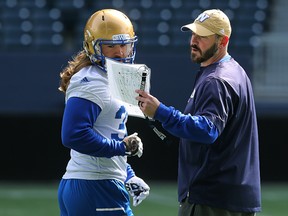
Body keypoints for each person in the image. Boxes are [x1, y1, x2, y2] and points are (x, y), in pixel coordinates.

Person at [136, 9, 261, 216]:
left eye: (202, 36)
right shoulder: (235, 71)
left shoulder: (216, 80)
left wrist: (160, 112)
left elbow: (207, 130)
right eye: (193, 34)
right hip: (229, 197)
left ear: (222, 41)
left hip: (212, 199)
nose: (193, 40)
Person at [57, 9, 150, 216]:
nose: (119, 52)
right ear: (93, 46)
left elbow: (107, 131)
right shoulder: (92, 81)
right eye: (110, 46)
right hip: (96, 186)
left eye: (124, 44)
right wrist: (121, 147)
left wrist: (128, 174)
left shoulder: (107, 78)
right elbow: (73, 134)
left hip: (96, 183)